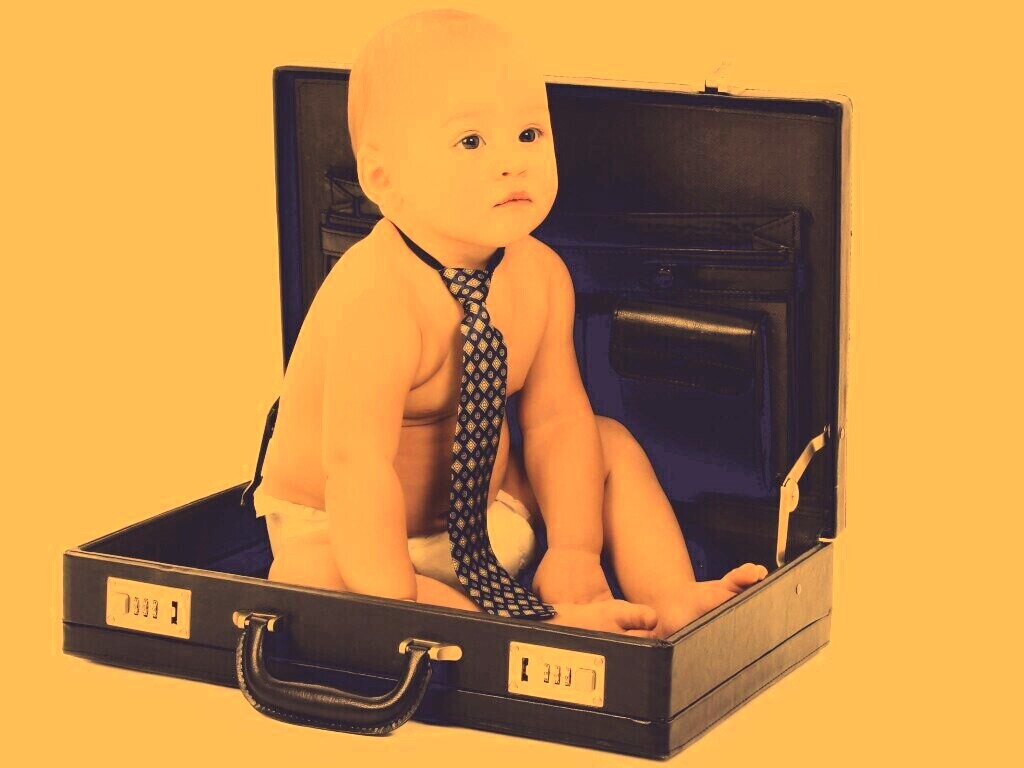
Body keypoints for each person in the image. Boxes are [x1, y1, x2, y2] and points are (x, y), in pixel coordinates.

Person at [254, 8, 767, 639]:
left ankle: (671, 600)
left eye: (529, 134)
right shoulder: (376, 298)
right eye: (471, 142)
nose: (512, 162)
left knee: (606, 443)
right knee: (311, 575)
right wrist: (392, 601)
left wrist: (574, 549)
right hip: (359, 537)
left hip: (487, 519)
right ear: (383, 179)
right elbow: (357, 469)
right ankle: (518, 630)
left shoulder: (540, 275)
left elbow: (554, 420)